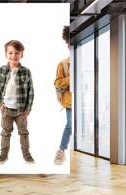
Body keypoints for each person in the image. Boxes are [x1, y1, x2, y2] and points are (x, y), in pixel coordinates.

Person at [0, 40, 35, 165]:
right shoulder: (1, 70)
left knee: (24, 132)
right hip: (6, 109)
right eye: (10, 53)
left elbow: (31, 91)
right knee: (5, 132)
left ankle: (27, 155)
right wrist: (0, 103)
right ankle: (3, 154)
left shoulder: (26, 71)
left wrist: (28, 108)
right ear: (6, 54)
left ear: (22, 54)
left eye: (17, 53)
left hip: (21, 110)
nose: (13, 56)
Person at [54, 26, 71, 165]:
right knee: (70, 126)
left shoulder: (91, 59)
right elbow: (57, 83)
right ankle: (61, 151)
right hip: (71, 102)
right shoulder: (63, 64)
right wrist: (71, 78)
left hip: (89, 101)